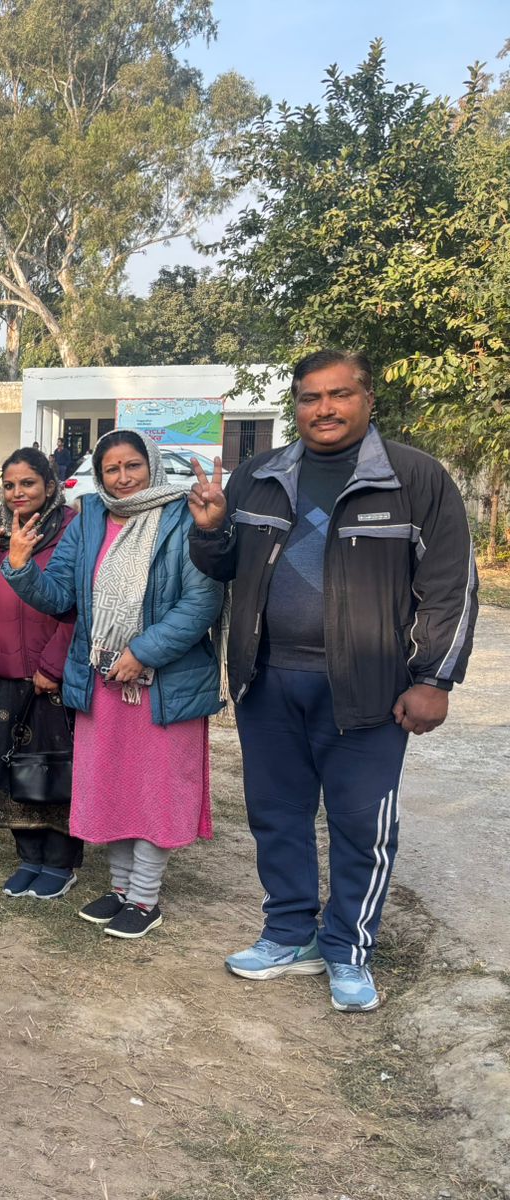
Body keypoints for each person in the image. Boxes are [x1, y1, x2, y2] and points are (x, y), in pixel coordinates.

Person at [188, 349, 478, 1011]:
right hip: (268, 680)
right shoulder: (260, 475)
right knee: (276, 816)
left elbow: (450, 588)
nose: (324, 409)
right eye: (310, 397)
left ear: (368, 399)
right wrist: (210, 530)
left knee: (360, 824)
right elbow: (224, 567)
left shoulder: (415, 478)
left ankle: (348, 948)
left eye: (339, 394)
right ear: (296, 405)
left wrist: (434, 679)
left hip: (368, 688)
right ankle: (290, 934)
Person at [3, 428, 223, 939]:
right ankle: (122, 890)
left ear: (152, 465)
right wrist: (19, 567)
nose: (123, 478)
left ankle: (145, 899)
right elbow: (60, 596)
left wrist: (142, 653)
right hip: (102, 680)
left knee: (156, 792)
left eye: (133, 466)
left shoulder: (183, 516)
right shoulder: (89, 520)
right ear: (99, 476)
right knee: (113, 787)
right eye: (111, 469)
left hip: (161, 684)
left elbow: (202, 602)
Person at [0, 447, 81, 900]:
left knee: (54, 769)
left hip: (52, 674)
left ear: (50, 485)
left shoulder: (71, 531)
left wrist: (53, 665)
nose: (17, 493)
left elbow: (78, 607)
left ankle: (60, 863)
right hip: (6, 670)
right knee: (11, 766)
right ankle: (29, 858)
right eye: (9, 485)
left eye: (27, 483)